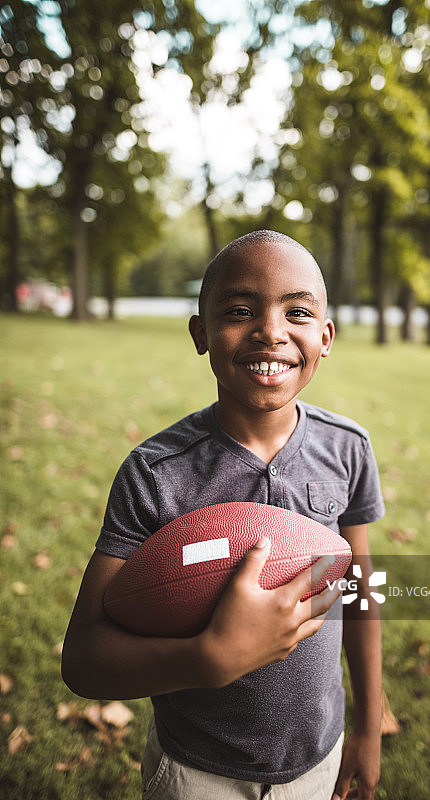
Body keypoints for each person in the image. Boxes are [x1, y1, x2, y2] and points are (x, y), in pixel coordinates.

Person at [62, 230, 385, 800]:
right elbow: (84, 661)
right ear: (200, 333)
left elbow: (359, 586)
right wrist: (204, 659)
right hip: (196, 771)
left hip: (319, 757)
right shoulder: (155, 473)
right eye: (239, 310)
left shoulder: (348, 448)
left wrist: (368, 725)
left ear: (326, 337)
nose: (270, 331)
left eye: (297, 312)